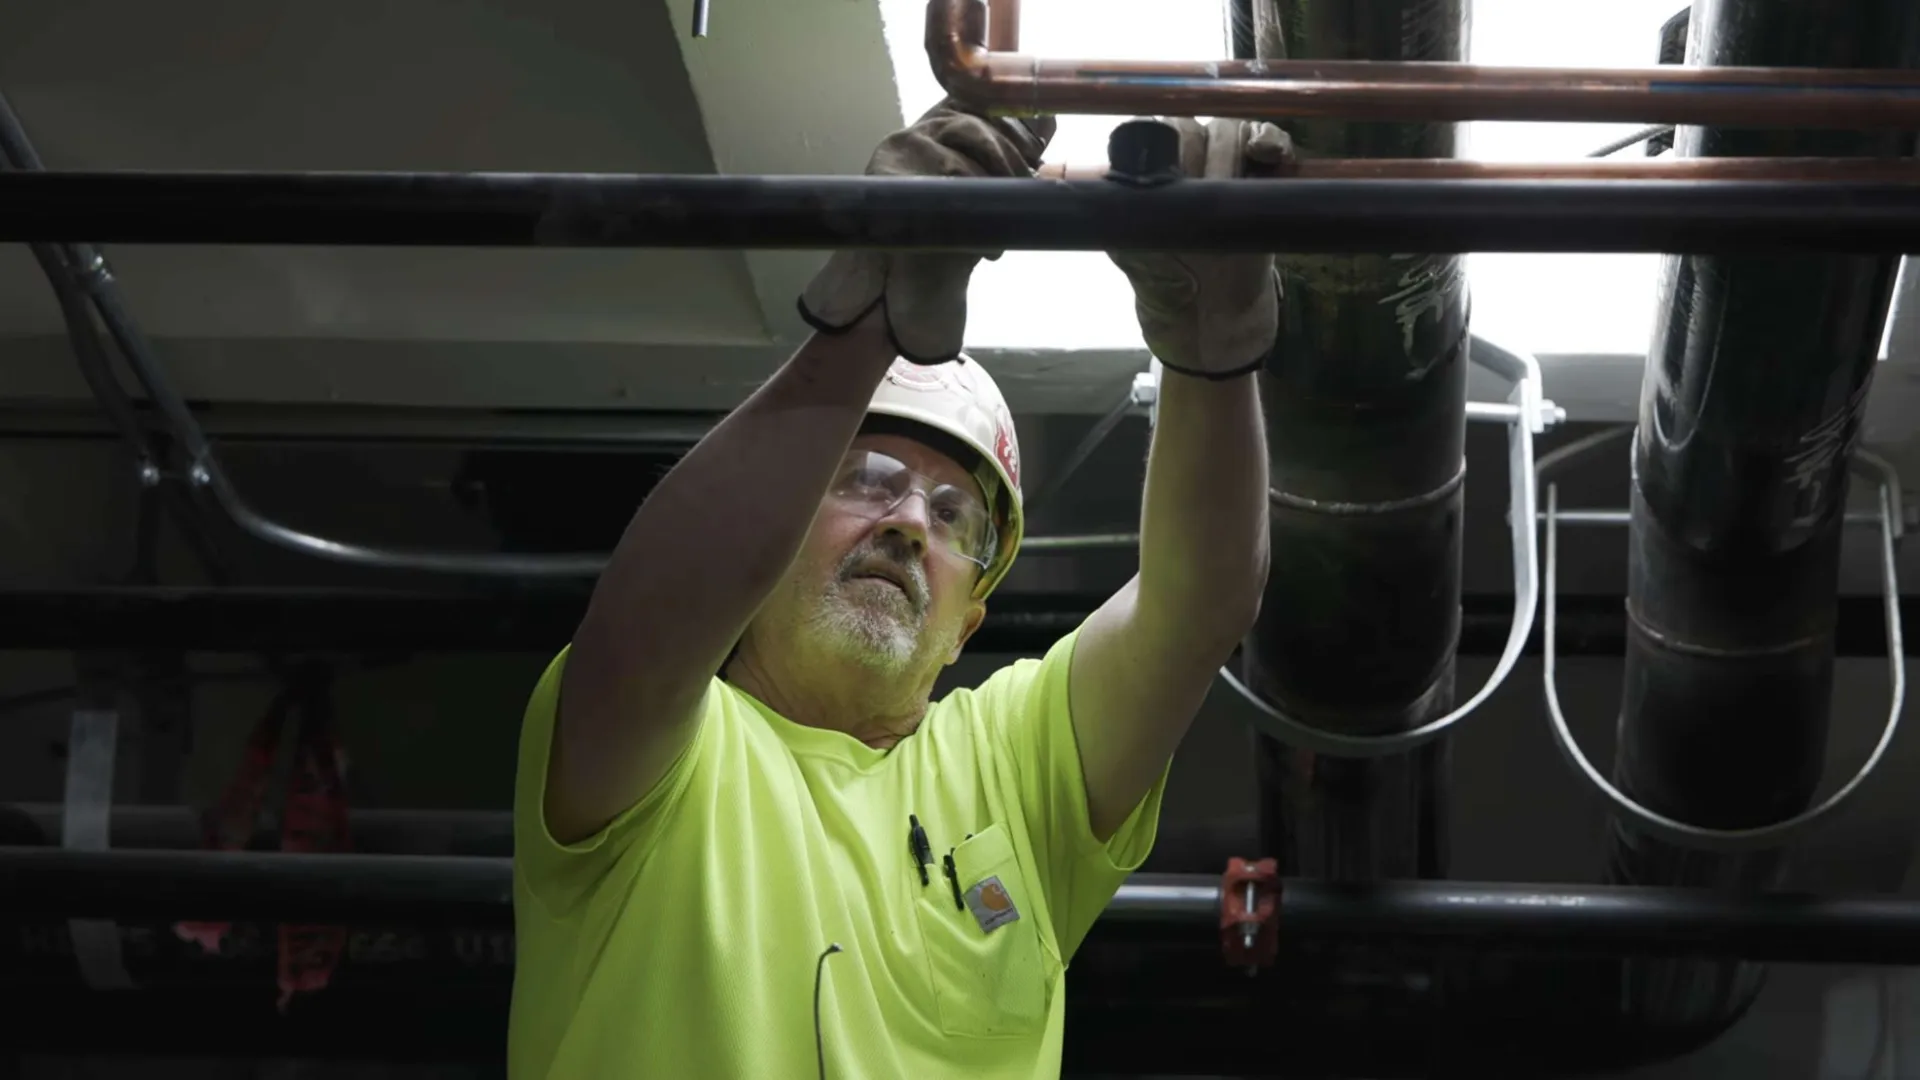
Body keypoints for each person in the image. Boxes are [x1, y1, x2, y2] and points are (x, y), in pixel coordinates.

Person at [506, 101, 1284, 1079]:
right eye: (868, 481)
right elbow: (649, 621)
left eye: (957, 516)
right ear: (775, 537)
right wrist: (872, 308)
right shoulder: (666, 747)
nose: (912, 523)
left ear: (971, 621)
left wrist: (1211, 357)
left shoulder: (1007, 771)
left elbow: (1198, 604)